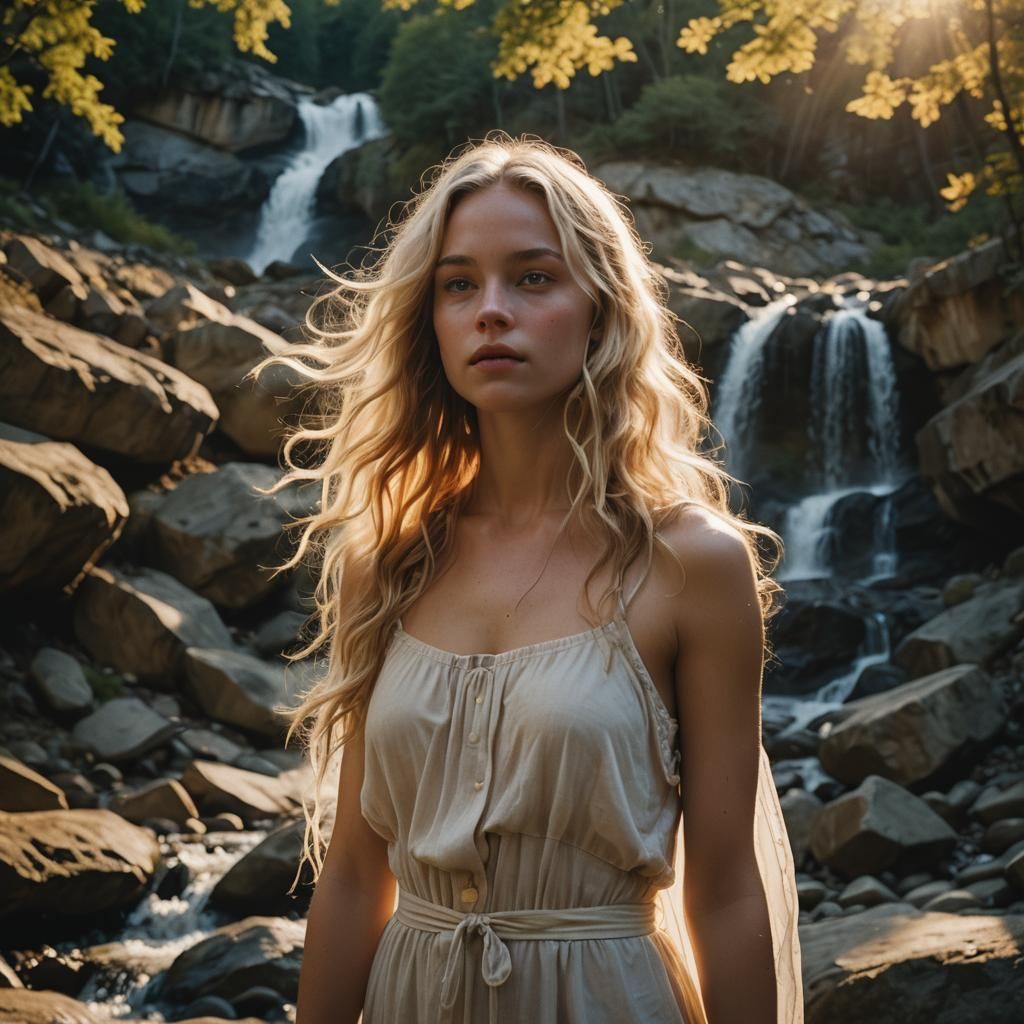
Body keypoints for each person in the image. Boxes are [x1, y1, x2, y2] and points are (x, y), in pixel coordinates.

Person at [254, 133, 803, 1024]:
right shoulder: (388, 558)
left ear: (602, 308)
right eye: (458, 283)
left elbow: (729, 891)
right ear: (428, 320)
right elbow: (356, 877)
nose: (491, 311)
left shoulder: (690, 563)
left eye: (534, 277)